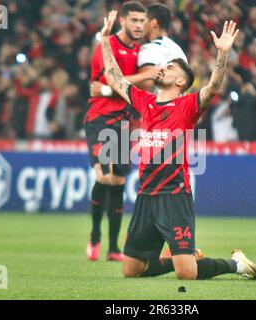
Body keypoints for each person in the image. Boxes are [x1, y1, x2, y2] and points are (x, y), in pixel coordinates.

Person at [100, 11, 256, 280]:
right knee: (131, 270)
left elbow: (213, 86)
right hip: (146, 195)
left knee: (186, 274)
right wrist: (105, 40)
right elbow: (115, 79)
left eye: (171, 68)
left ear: (180, 82)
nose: (162, 69)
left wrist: (222, 54)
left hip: (175, 196)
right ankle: (176, 257)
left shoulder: (187, 106)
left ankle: (236, 264)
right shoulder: (146, 102)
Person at [85, 1, 158, 262]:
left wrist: (117, 86)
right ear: (123, 21)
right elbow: (115, 83)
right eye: (134, 20)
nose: (139, 25)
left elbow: (145, 85)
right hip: (101, 119)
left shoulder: (141, 51)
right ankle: (94, 236)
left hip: (126, 122)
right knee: (103, 177)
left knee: (117, 181)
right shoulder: (107, 46)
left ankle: (113, 248)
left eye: (142, 21)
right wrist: (144, 76)